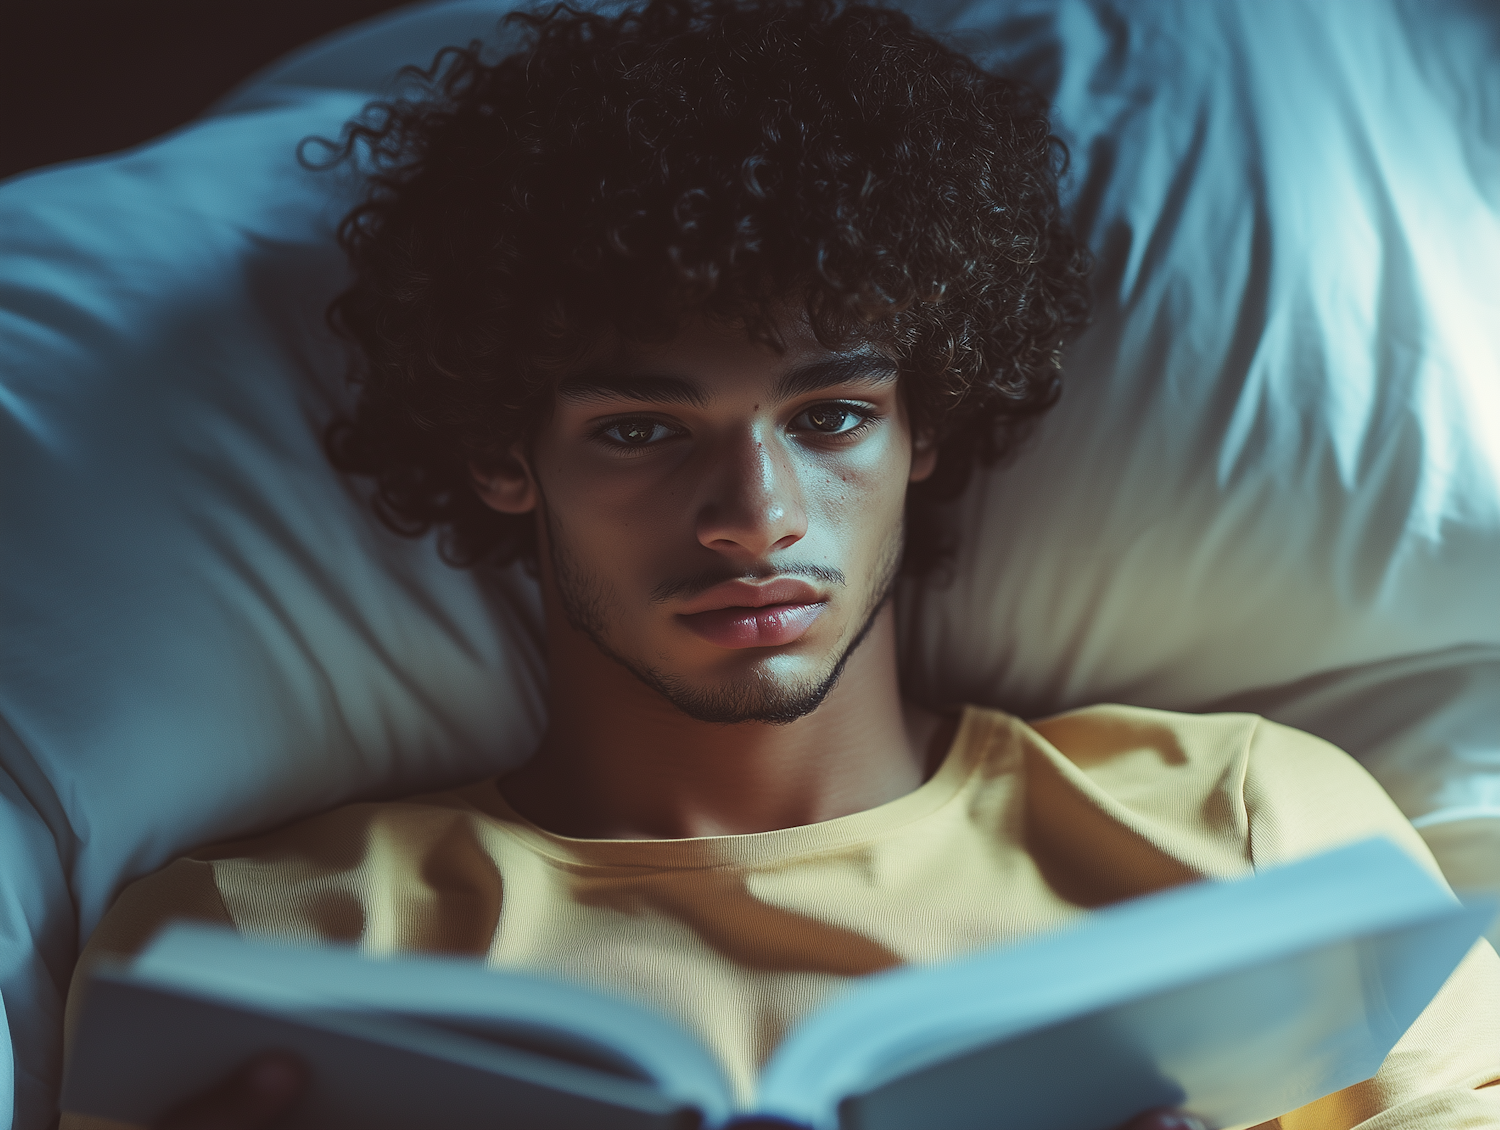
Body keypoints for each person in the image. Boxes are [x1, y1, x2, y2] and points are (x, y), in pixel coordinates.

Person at [60, 1, 1500, 1128]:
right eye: (640, 427)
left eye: (829, 418)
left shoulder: (1246, 836)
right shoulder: (270, 946)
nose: (753, 515)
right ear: (508, 454)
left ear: (924, 429)